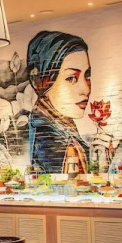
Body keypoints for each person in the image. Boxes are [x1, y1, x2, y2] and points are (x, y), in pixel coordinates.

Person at [27, 30, 91, 174]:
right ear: (40, 82)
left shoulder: (62, 125)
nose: (85, 89)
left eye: (87, 76)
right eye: (71, 78)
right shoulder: (48, 137)